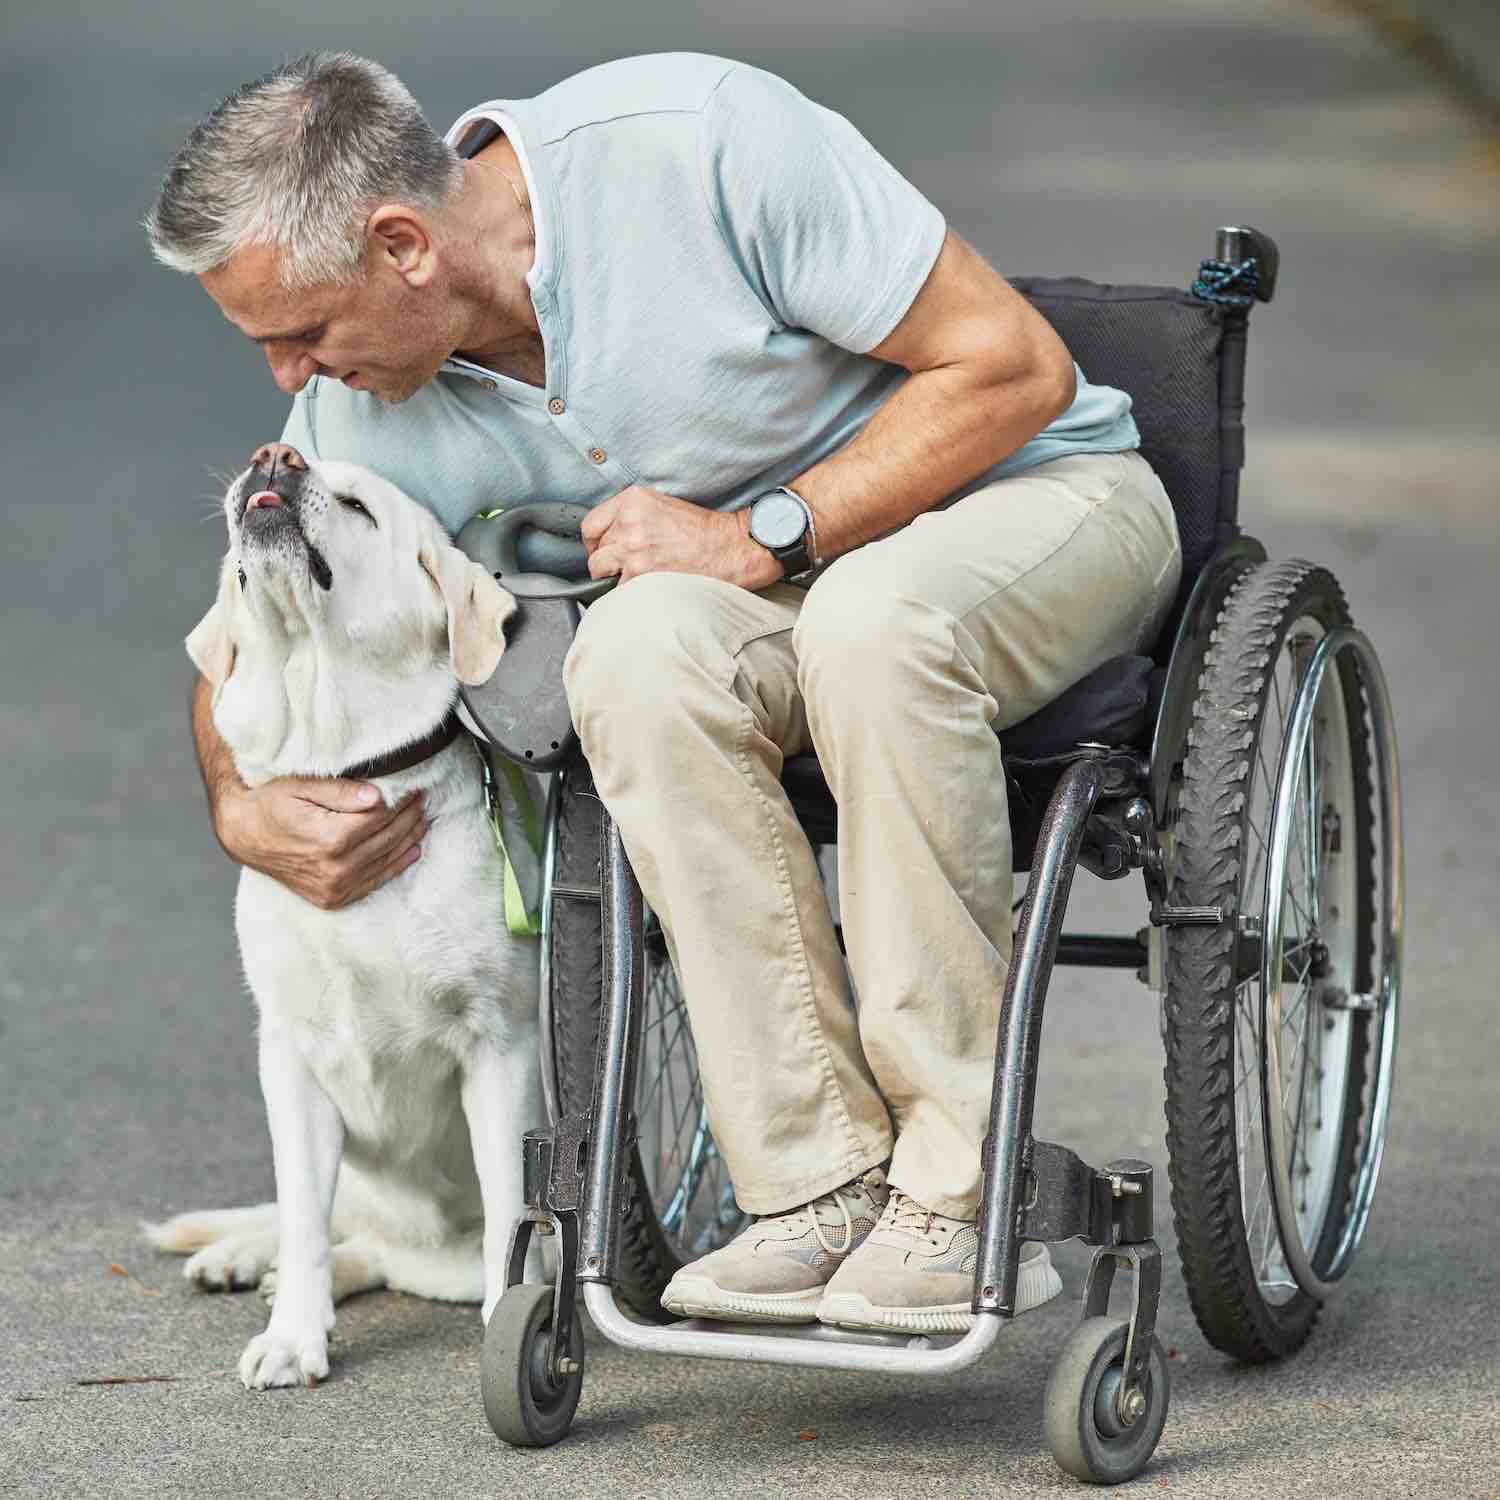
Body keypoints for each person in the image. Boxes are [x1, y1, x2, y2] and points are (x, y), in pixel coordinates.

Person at [149, 50, 1181, 1334]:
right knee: (626, 660)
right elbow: (240, 625)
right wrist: (239, 801)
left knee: (867, 622)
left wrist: (767, 531)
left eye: (300, 335)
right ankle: (818, 1182)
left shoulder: (702, 143)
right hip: (773, 601)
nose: (290, 380)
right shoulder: (364, 420)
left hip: (1033, 500)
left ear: (403, 244)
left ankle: (959, 1193)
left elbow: (1009, 367)